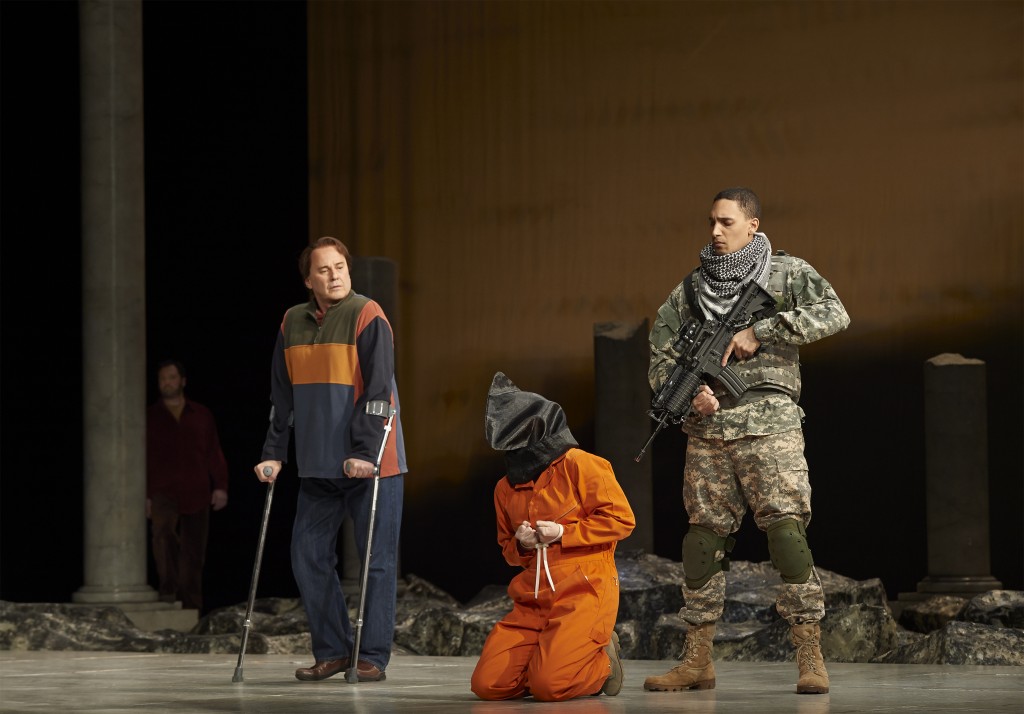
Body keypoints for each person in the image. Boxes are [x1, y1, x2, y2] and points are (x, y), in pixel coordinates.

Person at [642, 188, 850, 696]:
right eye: (712, 222)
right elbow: (660, 356)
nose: (715, 231)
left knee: (785, 534)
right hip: (710, 433)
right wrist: (692, 399)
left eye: (727, 222)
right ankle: (697, 661)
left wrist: (765, 329)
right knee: (702, 542)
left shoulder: (784, 274)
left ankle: (810, 657)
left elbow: (835, 313)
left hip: (770, 425)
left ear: (751, 226)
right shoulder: (692, 290)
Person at [254, 236, 407, 684]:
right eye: (324, 269)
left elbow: (379, 393)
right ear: (308, 279)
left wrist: (363, 453)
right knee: (306, 556)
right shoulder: (291, 323)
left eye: (340, 266)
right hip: (319, 464)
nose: (335, 275)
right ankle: (335, 650)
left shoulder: (367, 314)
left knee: (377, 560)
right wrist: (273, 452)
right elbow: (281, 397)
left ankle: (373, 657)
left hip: (374, 462)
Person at [471, 372, 636, 702]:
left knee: (550, 686)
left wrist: (563, 532)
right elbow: (508, 550)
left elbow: (621, 520)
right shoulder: (505, 488)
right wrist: (521, 542)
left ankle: (601, 663)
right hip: (534, 599)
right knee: (488, 686)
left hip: (584, 591)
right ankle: (556, 661)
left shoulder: (581, 465)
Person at [146, 360, 229, 612]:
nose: (167, 383)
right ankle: (168, 591)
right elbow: (143, 457)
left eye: (171, 378)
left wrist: (221, 486)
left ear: (182, 381)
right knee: (163, 538)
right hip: (162, 490)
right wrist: (145, 496)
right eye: (162, 379)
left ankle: (191, 606)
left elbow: (213, 451)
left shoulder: (201, 414)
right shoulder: (150, 416)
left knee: (194, 552)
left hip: (196, 489)